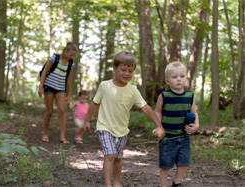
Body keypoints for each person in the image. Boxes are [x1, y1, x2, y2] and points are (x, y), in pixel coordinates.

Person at [83, 51, 165, 187]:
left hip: (122, 129)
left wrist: (159, 126)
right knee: (110, 155)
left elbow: (146, 108)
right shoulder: (105, 86)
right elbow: (95, 103)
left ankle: (116, 182)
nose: (126, 73)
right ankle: (107, 184)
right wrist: (86, 120)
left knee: (118, 158)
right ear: (114, 69)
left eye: (130, 71)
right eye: (123, 70)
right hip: (105, 126)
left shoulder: (133, 90)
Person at [155, 61, 199, 187]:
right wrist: (159, 127)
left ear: (186, 78)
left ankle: (177, 183)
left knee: (184, 162)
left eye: (182, 76)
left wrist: (196, 126)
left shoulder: (190, 96)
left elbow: (194, 112)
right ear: (167, 81)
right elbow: (157, 111)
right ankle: (162, 185)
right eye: (174, 77)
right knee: (165, 164)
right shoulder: (164, 95)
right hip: (167, 137)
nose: (179, 80)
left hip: (184, 136)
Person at [38, 42, 78, 144]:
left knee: (62, 111)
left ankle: (62, 137)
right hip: (49, 86)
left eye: (73, 55)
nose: (72, 57)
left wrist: (68, 95)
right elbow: (45, 71)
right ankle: (45, 134)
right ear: (65, 51)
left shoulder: (71, 63)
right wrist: (41, 87)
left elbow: (69, 80)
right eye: (71, 55)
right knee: (49, 111)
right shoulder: (54, 58)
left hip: (60, 88)